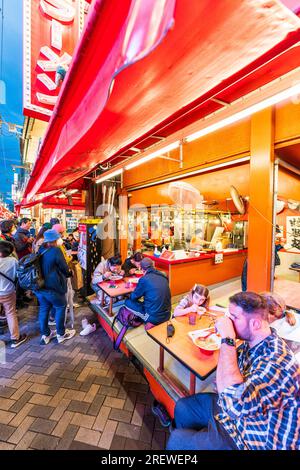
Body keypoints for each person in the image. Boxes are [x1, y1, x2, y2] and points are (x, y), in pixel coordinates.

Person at [167, 291, 300, 450]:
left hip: (253, 437)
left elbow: (234, 403)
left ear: (255, 324)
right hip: (235, 412)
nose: (227, 321)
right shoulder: (251, 343)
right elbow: (226, 381)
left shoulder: (278, 362)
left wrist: (227, 338)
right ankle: (196, 435)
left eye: (234, 317)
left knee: (176, 441)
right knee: (183, 407)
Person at [34, 229, 75, 345]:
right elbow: (64, 268)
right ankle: (61, 334)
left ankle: (46, 335)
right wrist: (69, 273)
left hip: (40, 286)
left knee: (44, 309)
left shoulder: (41, 249)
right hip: (53, 286)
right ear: (54, 240)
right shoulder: (56, 250)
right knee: (61, 307)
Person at [125, 257, 171, 328]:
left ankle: (150, 321)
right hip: (167, 315)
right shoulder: (164, 276)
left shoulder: (144, 279)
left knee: (127, 302)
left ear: (142, 269)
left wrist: (128, 295)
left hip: (154, 317)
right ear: (153, 266)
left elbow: (134, 297)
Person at [0, 241, 27, 348]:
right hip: (8, 292)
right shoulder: (13, 261)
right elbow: (18, 274)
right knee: (10, 314)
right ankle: (15, 338)